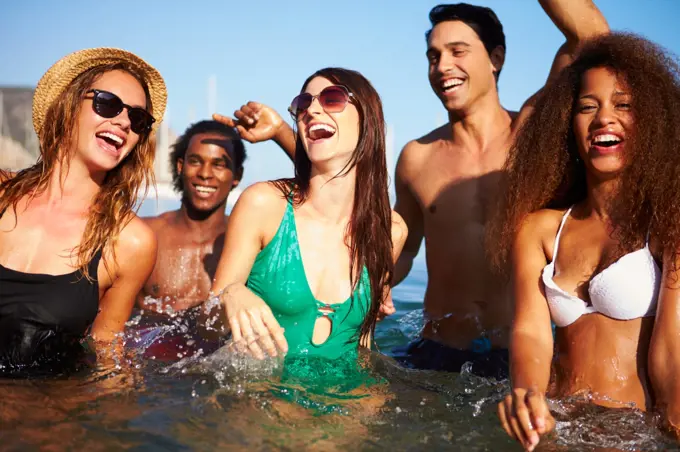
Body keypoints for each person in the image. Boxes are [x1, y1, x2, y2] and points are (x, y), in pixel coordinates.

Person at [217, 1, 608, 378]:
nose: (443, 66)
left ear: (496, 59)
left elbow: (590, 33)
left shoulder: (530, 135)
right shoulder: (417, 158)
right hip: (432, 353)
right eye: (433, 55)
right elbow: (366, 225)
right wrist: (376, 284)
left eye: (458, 51)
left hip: (517, 352)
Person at [491, 33, 680, 450]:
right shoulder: (539, 231)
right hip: (558, 431)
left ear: (653, 122)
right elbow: (530, 333)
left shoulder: (669, 224)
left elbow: (671, 359)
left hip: (636, 436)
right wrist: (528, 397)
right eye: (587, 107)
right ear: (567, 126)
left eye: (624, 105)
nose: (603, 118)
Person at [209, 67, 407, 369]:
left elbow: (364, 345)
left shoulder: (390, 232)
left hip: (347, 404)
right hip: (260, 405)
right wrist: (231, 294)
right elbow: (206, 324)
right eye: (303, 103)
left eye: (332, 99)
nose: (312, 109)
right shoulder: (264, 205)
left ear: (367, 118)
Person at [0, 47, 166, 375]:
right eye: (108, 103)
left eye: (138, 119)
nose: (123, 122)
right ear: (68, 104)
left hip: (45, 417)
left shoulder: (128, 242)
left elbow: (106, 355)